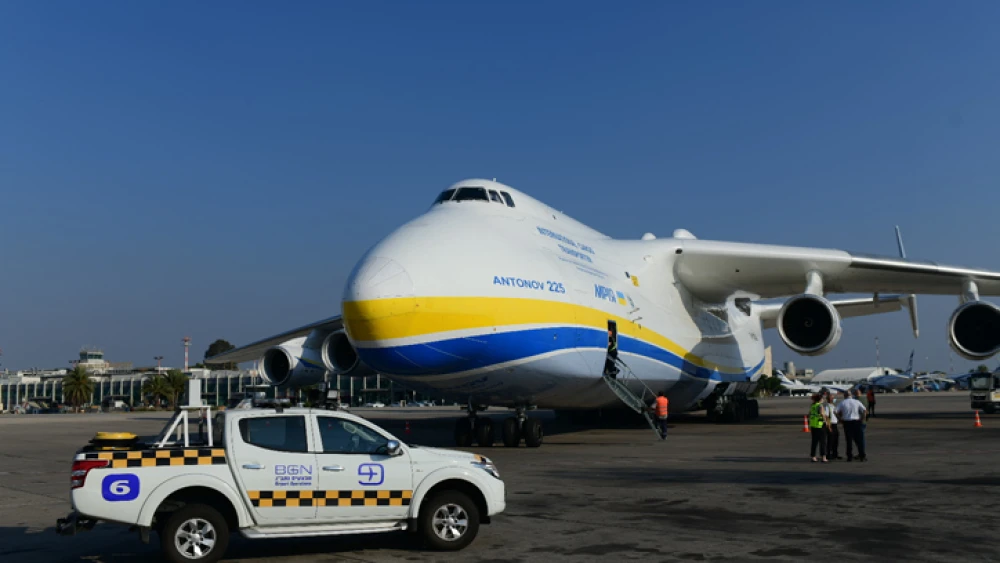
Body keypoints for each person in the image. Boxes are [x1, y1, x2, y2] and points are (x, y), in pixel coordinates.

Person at [836, 389, 868, 462]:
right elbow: (864, 410)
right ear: (851, 395)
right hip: (856, 421)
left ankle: (849, 456)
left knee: (849, 440)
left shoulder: (843, 402)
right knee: (859, 439)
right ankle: (862, 455)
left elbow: (835, 411)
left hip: (847, 422)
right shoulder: (856, 402)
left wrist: (840, 419)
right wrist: (863, 418)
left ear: (845, 396)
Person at [808, 393, 829, 462]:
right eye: (822, 398)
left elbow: (809, 414)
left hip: (813, 425)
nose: (823, 400)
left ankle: (813, 456)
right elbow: (822, 414)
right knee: (823, 442)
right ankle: (823, 457)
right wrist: (825, 421)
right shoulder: (820, 406)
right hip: (820, 425)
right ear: (820, 399)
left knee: (814, 441)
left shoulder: (813, 405)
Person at [823, 391, 841, 460]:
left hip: (835, 424)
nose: (833, 399)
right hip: (831, 424)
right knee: (830, 440)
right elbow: (826, 416)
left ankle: (835, 454)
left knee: (836, 440)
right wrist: (829, 426)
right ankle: (828, 454)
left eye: (833, 398)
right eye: (832, 398)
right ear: (828, 399)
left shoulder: (833, 405)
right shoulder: (827, 406)